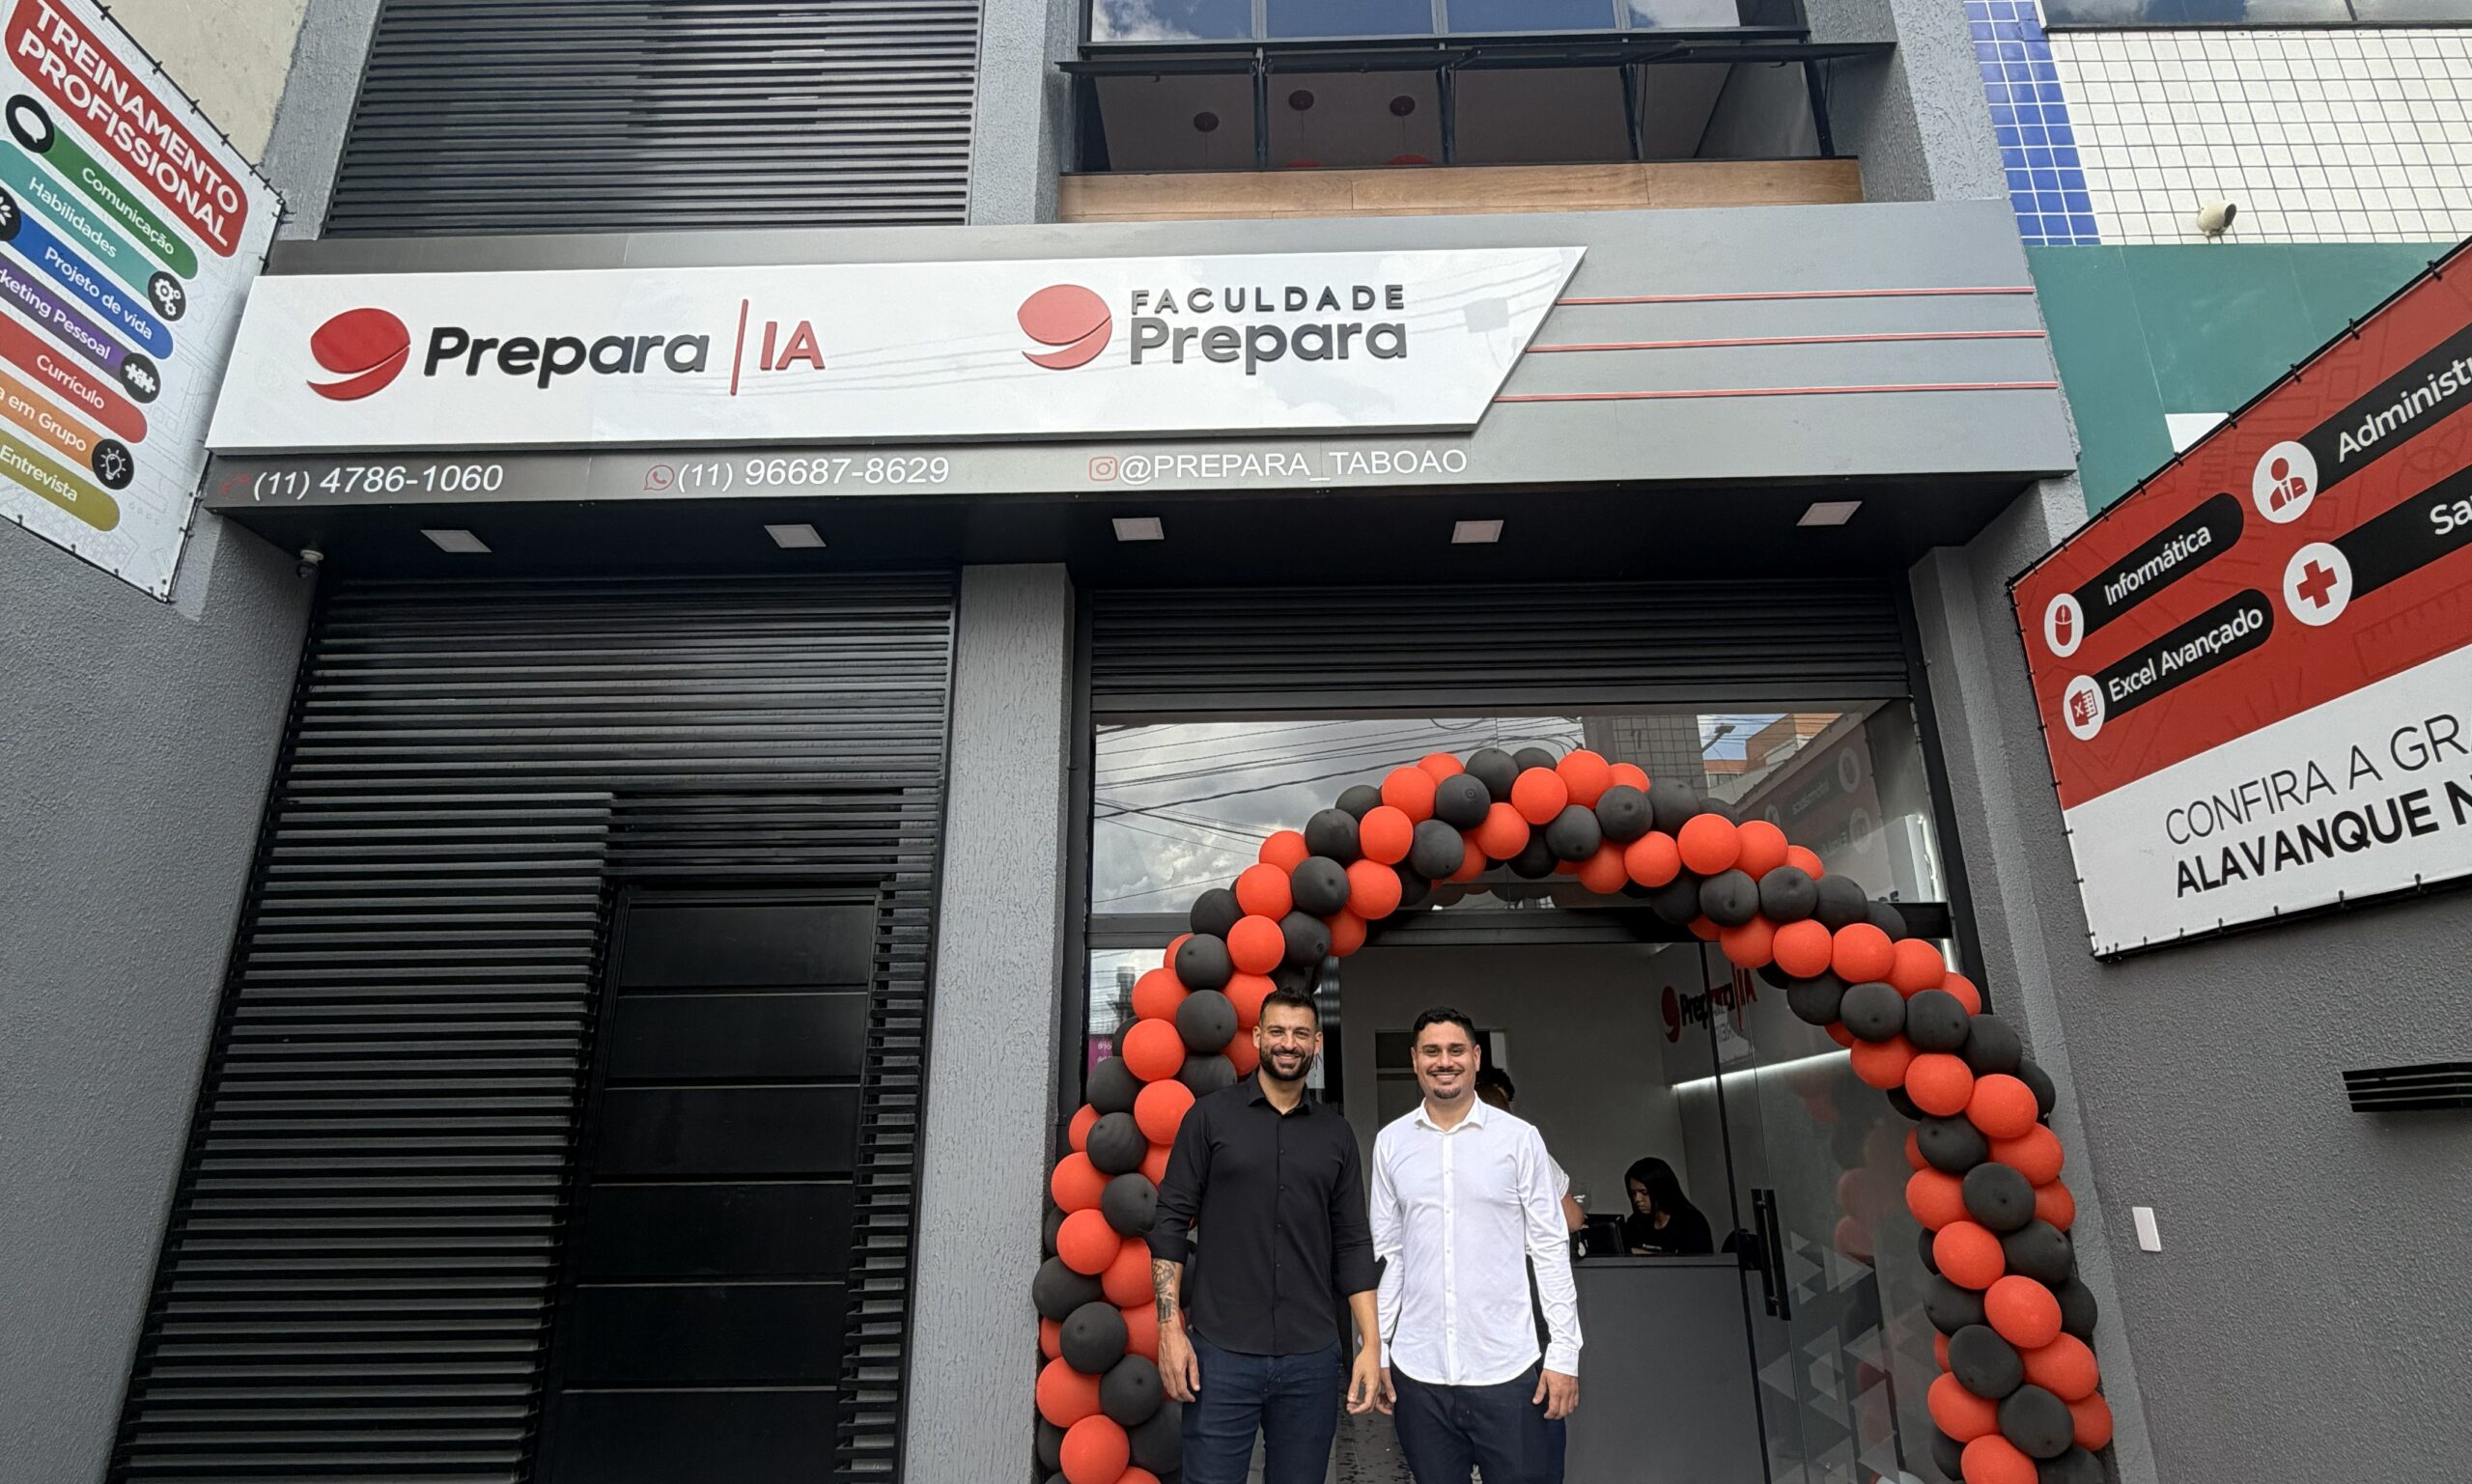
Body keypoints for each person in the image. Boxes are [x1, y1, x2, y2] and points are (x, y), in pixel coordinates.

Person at [1149, 987, 1384, 1484]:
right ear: (1257, 1036)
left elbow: (1353, 1243)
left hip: (1311, 1357)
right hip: (1220, 1354)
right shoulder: (1209, 1118)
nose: (1288, 1043)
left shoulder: (1336, 1134)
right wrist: (1170, 1330)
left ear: (1317, 1043)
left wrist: (1370, 1343)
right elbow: (1170, 1222)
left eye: (1300, 1033)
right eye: (1277, 1031)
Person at [1370, 1008, 1581, 1484]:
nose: (1444, 1061)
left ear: (1476, 1057)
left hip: (1508, 1372)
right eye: (1431, 1051)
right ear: (1415, 1060)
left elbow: (1550, 1249)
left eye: (1455, 1050)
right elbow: (1389, 1257)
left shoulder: (1520, 1140)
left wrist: (1564, 1355)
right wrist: (1378, 1350)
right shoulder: (1391, 1143)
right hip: (1419, 1373)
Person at [1471, 1062, 1583, 1484]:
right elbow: (1572, 1218)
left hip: (1479, 1291)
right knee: (1539, 1396)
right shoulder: (1528, 1147)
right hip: (1527, 1287)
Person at [1473, 1066, 1584, 1235]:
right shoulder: (1526, 1150)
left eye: (1504, 1102)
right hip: (1523, 1256)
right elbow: (1573, 1220)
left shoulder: (1443, 1158)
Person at [1620, 1156, 1715, 1256]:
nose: (1637, 1199)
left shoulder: (1692, 1223)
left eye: (1644, 1192)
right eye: (1633, 1193)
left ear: (1661, 1190)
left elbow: (1700, 1267)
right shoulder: (1634, 1224)